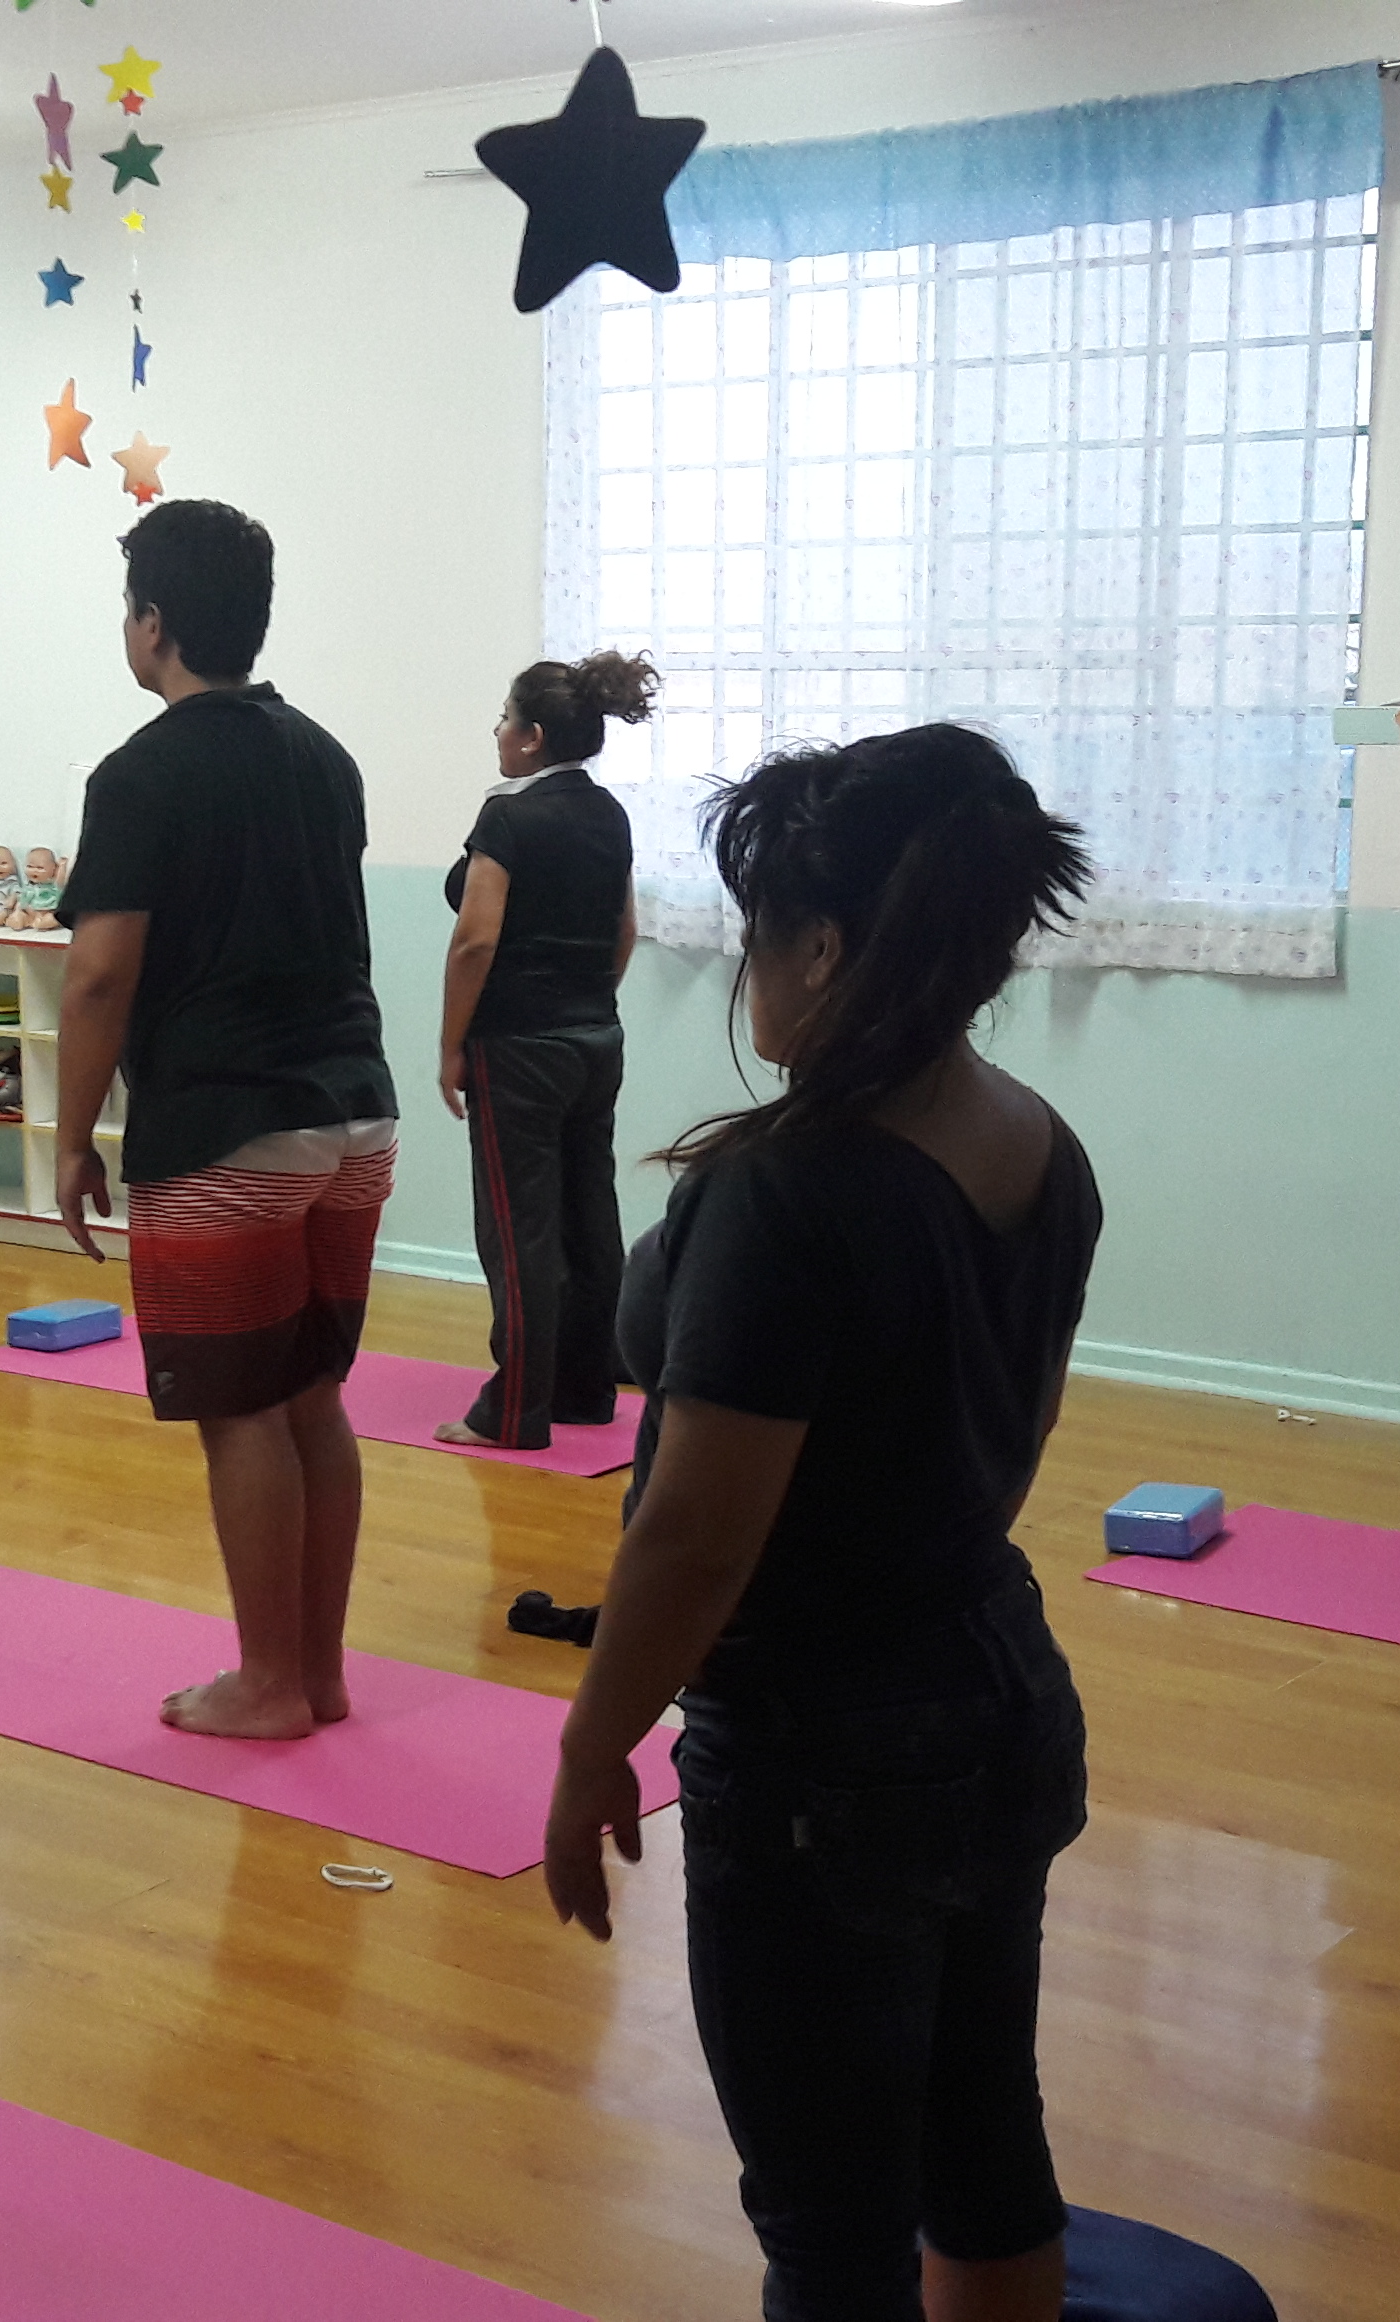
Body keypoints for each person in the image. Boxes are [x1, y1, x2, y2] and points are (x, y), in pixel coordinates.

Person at [544, 725, 1103, 2322]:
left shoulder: (787, 1194)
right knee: (983, 2147)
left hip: (822, 1758)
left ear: (826, 948)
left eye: (757, 934)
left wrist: (594, 1746)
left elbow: (693, 1539)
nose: (747, 971)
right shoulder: (1036, 1143)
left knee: (832, 2227)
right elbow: (1014, 1440)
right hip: (997, 1684)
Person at [50, 500, 398, 1741]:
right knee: (311, 1397)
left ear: (153, 624)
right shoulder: (325, 755)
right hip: (354, 1117)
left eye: (128, 609)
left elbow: (100, 976)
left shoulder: (141, 772)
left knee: (242, 1410)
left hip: (225, 1128)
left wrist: (69, 1137)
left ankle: (268, 1685)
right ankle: (319, 1673)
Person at [433, 651, 653, 1450]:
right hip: (596, 1040)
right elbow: (625, 931)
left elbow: (474, 940)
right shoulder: (609, 814)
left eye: (504, 718)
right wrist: (586, 1005)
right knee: (589, 1216)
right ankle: (586, 1392)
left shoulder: (507, 817)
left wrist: (451, 1045)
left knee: (518, 1226)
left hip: (518, 1048)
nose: (496, 731)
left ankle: (516, 1410)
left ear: (530, 738)